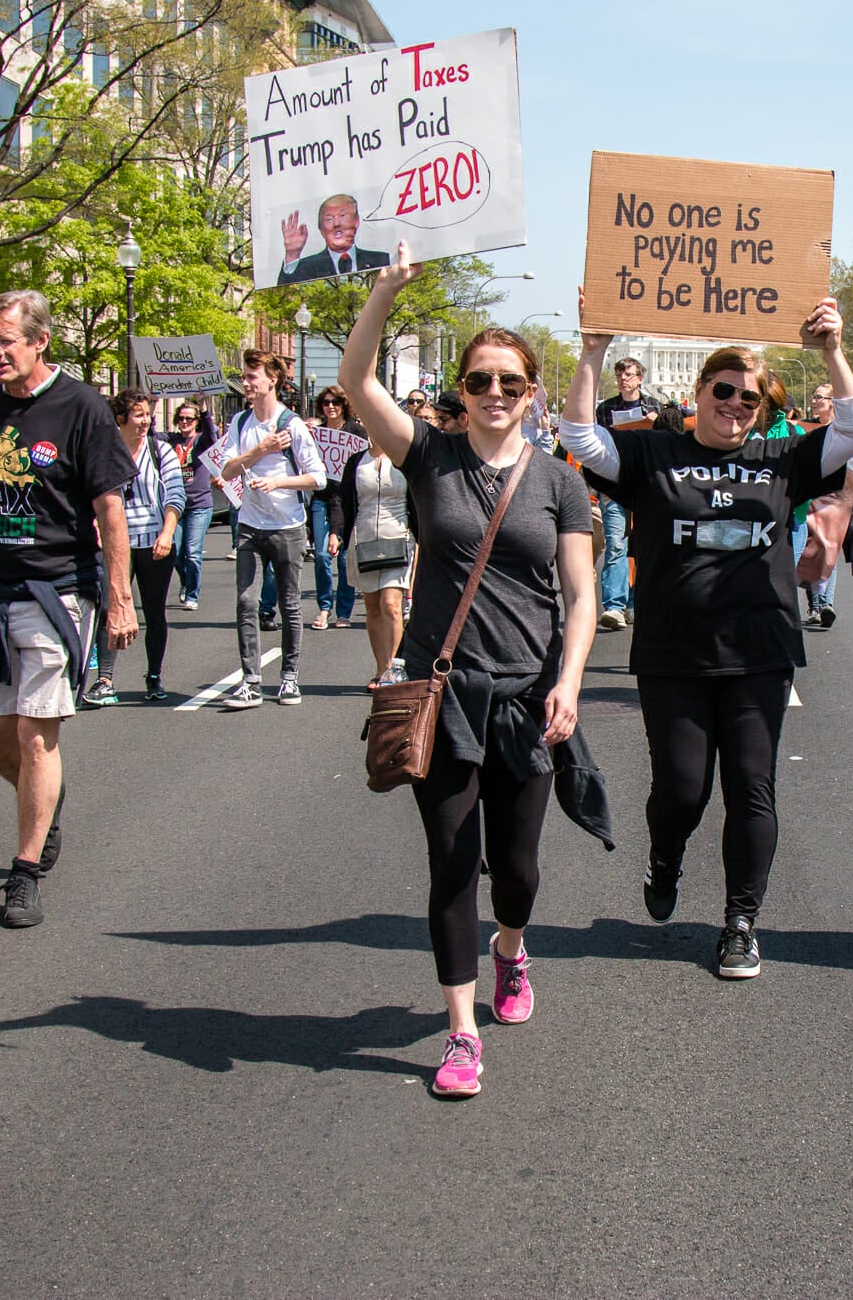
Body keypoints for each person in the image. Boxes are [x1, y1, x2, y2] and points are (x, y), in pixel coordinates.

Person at [341, 244, 604, 1099]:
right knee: (453, 862)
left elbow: (581, 593)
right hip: (441, 692)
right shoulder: (429, 457)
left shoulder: (560, 484)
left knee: (517, 867)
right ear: (461, 388)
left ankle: (511, 947)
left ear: (532, 392)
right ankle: (460, 1033)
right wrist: (385, 290)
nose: (495, 394)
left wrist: (568, 681)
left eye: (511, 382)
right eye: (480, 380)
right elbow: (355, 382)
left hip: (526, 697)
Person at [561, 293, 853, 981]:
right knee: (681, 790)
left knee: (751, 787)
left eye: (750, 399)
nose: (735, 404)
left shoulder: (783, 456)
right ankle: (665, 854)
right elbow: (579, 435)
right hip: (674, 653)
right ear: (698, 391)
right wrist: (594, 346)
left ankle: (740, 922)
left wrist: (832, 348)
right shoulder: (652, 454)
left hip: (760, 651)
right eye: (723, 390)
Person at [0, 290, 137, 929]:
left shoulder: (83, 406)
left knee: (38, 731)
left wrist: (119, 599)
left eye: (5, 340)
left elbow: (109, 511)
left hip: (55, 590)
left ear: (39, 341)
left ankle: (25, 870)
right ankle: (47, 805)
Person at [220, 349, 325, 707]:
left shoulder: (291, 425)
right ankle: (250, 680)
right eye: (245, 377)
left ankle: (289, 677)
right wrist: (260, 451)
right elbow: (228, 470)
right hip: (250, 524)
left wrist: (278, 484)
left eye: (252, 377)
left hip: (288, 526)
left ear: (272, 380)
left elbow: (319, 478)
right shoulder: (239, 423)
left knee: (289, 603)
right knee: (246, 601)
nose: (246, 383)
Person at [83, 391, 183, 705]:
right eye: (138, 415)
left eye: (147, 415)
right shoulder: (104, 451)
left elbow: (175, 496)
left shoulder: (160, 450)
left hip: (154, 542)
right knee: (110, 608)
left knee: (154, 613)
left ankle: (153, 676)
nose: (145, 421)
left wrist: (167, 534)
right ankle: (104, 680)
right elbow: (92, 493)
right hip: (118, 544)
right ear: (121, 418)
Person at [326, 411, 412, 687]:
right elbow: (342, 500)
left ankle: (393, 671)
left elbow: (419, 500)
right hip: (363, 539)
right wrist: (335, 532)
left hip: (399, 537)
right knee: (373, 607)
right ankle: (381, 667)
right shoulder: (356, 462)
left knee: (391, 604)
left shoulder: (404, 460)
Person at [592, 357, 666, 632]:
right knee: (616, 543)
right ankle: (614, 606)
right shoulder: (606, 408)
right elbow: (595, 444)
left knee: (645, 546)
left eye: (630, 374)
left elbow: (668, 439)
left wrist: (656, 423)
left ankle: (636, 602)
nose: (625, 379)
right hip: (615, 485)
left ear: (640, 379)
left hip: (647, 485)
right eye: (621, 374)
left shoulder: (653, 406)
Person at [796, 382, 853, 628]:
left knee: (828, 544)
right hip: (811, 489)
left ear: (834, 402)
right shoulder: (807, 428)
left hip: (838, 492)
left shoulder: (847, 430)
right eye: (814, 396)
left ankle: (824, 603)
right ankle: (817, 604)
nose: (815, 401)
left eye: (820, 397)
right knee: (811, 546)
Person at [307, 386, 359, 630]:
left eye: (336, 401)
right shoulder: (315, 434)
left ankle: (344, 611)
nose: (331, 406)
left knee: (345, 559)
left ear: (344, 404)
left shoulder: (356, 432)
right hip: (322, 498)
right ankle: (324, 607)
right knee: (321, 556)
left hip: (348, 500)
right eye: (326, 402)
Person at [163, 400, 216, 610]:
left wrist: (204, 411)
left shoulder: (201, 441)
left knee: (193, 552)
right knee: (174, 552)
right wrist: (151, 402)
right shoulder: (170, 440)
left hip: (199, 505)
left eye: (189, 418)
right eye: (182, 418)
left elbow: (212, 436)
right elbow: (148, 434)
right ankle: (185, 582)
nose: (185, 422)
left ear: (196, 421)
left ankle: (192, 594)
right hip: (176, 505)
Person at [278, 194, 389, 281]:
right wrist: (292, 255)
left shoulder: (382, 260)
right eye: (329, 219)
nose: (336, 224)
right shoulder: (306, 268)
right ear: (321, 230)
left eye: (342, 216)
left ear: (356, 221)